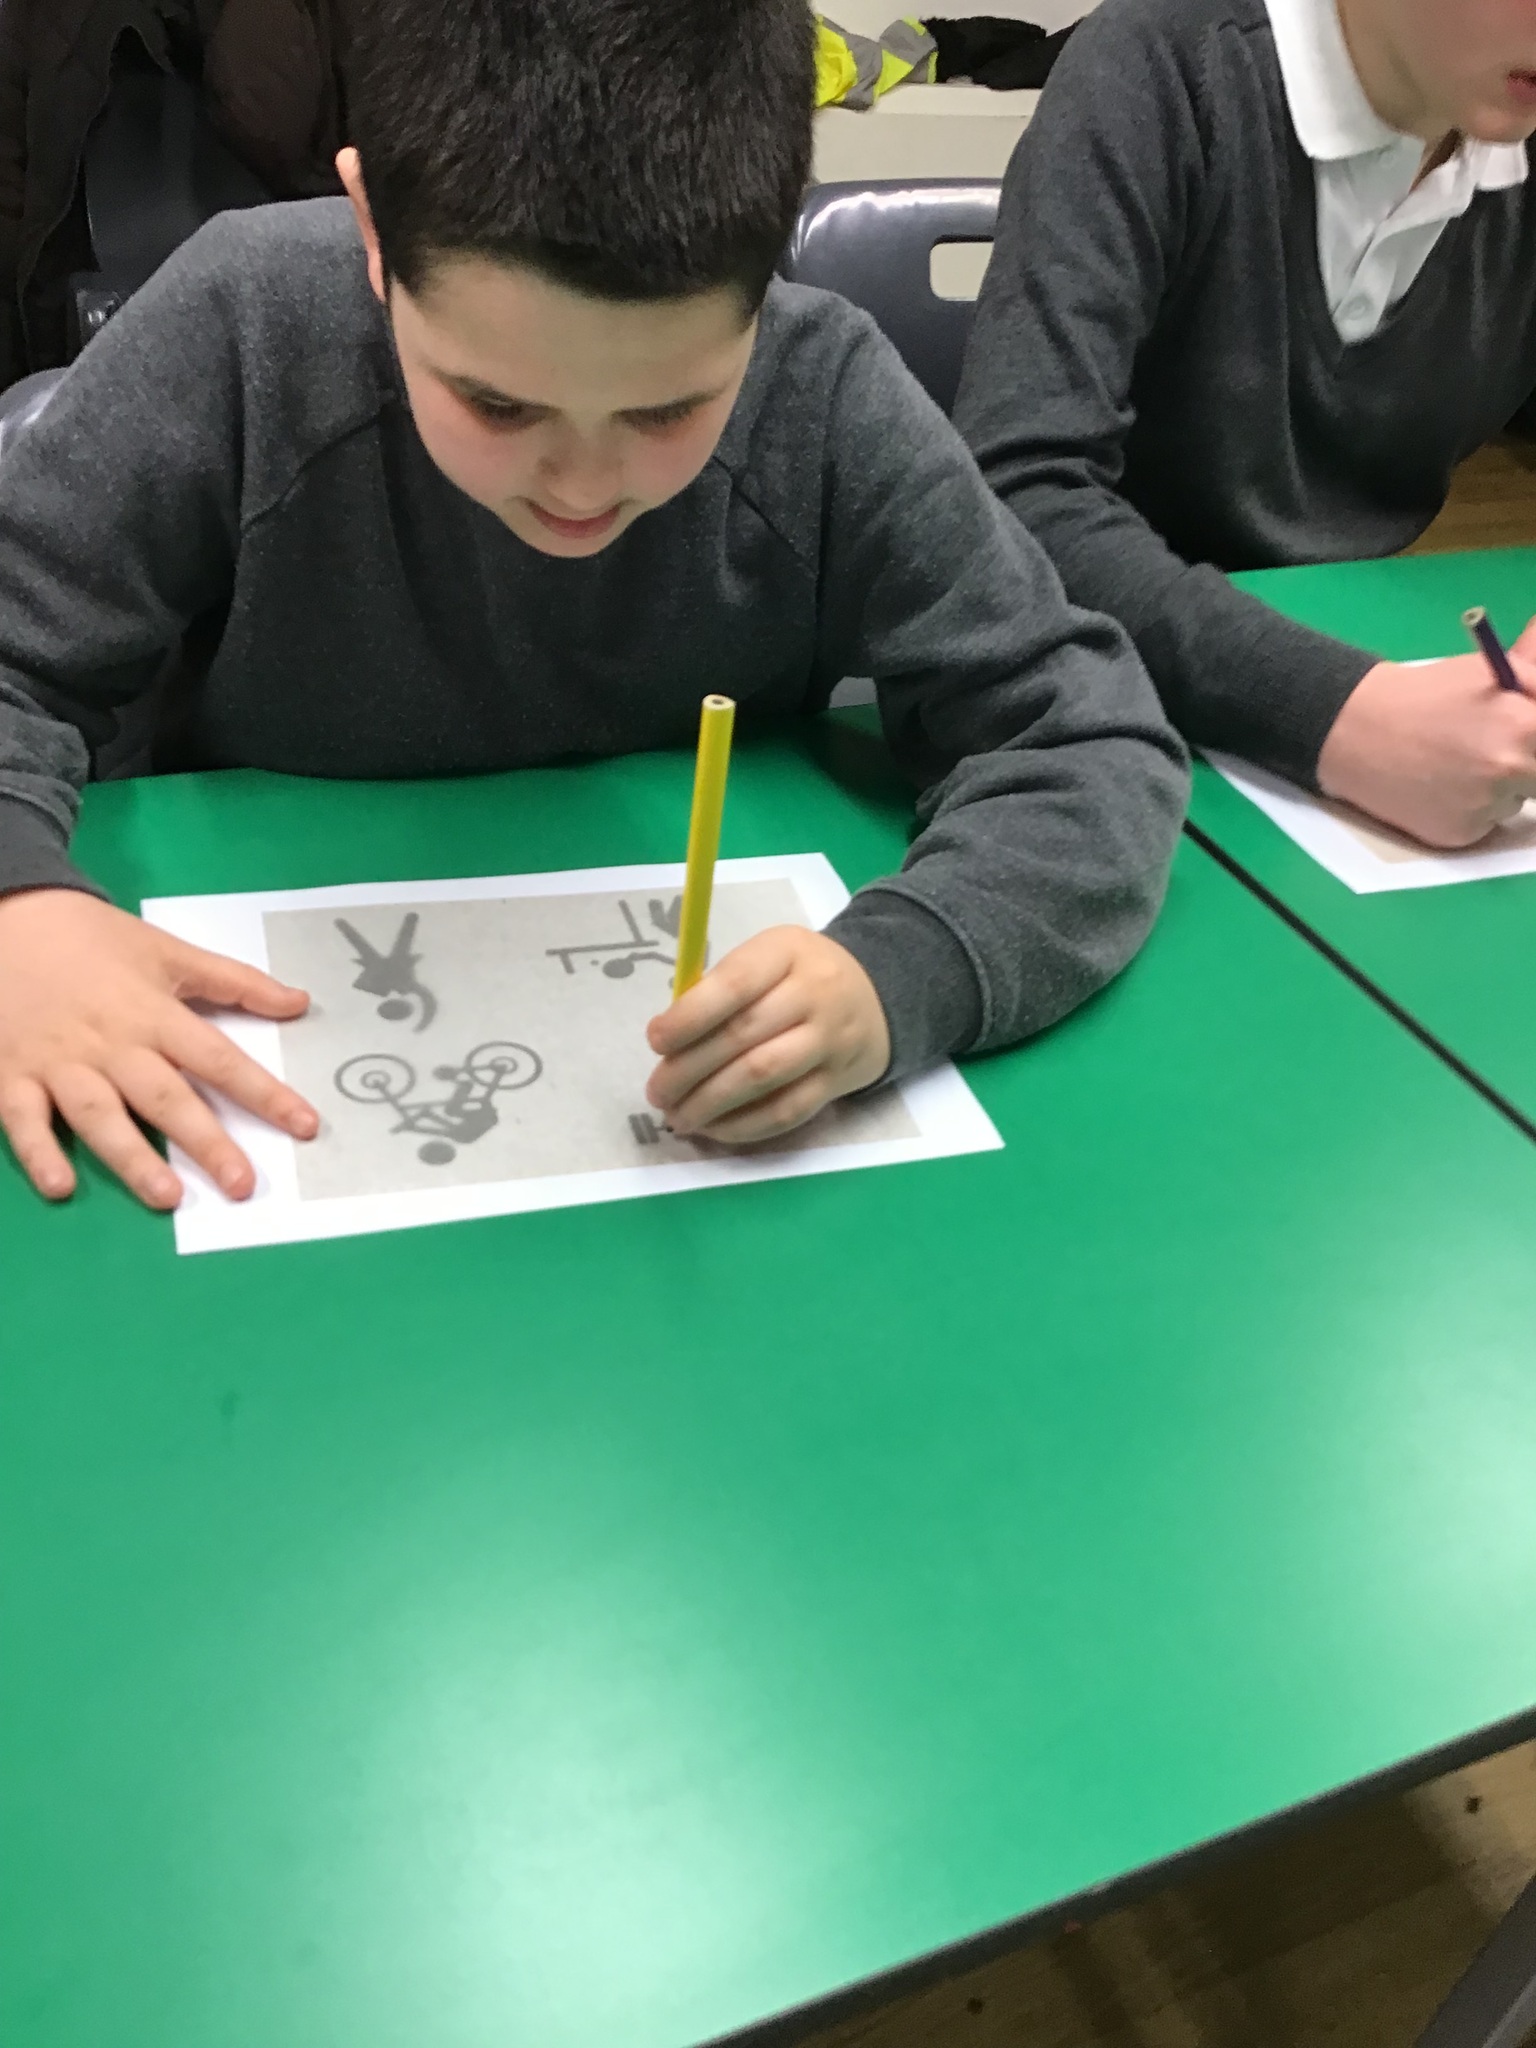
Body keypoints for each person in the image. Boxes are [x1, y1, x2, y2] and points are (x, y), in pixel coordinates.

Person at [0, 0, 1187, 1215]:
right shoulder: (246, 326)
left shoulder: (821, 390)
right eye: (499, 404)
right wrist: (20, 904)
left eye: (667, 411)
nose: (579, 485)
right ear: (373, 231)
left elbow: (1082, 740)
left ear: (769, 268)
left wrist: (901, 974)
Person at [954, 0, 1536, 850]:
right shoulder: (1165, 65)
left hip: (1356, 677)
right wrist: (1338, 715)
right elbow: (1017, 498)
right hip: (1090, 718)